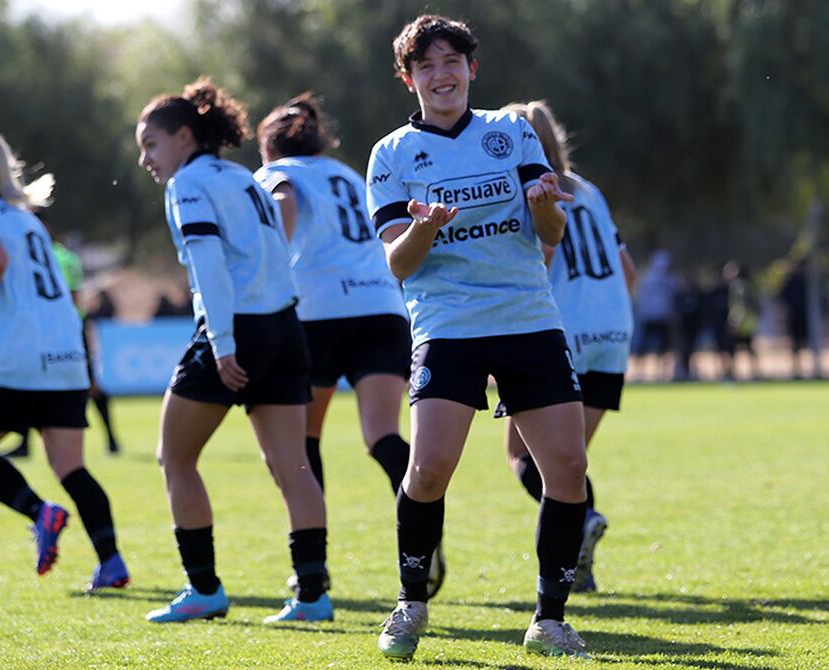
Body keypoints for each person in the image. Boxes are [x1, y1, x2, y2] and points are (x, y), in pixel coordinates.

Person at [367, 15, 590, 660]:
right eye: (427, 66)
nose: (442, 75)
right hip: (449, 328)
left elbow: (549, 234)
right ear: (409, 78)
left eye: (452, 62)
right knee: (429, 469)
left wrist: (546, 199)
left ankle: (550, 618)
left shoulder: (510, 131)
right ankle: (410, 604)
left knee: (568, 470)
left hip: (528, 320)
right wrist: (427, 227)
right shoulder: (391, 154)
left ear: (472, 69)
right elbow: (399, 263)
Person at [135, 78, 332, 624]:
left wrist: (221, 345)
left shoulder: (189, 183)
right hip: (286, 327)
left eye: (150, 145)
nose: (145, 159)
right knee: (293, 467)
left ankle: (203, 589)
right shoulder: (241, 176)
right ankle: (313, 596)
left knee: (174, 458)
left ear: (182, 137)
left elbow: (210, 269)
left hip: (238, 330)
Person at [254, 93, 445, 598]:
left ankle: (312, 564)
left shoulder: (277, 170)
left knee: (301, 443)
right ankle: (425, 536)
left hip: (316, 312)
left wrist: (271, 264)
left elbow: (282, 200)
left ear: (268, 147)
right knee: (382, 436)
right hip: (382, 306)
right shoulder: (344, 173)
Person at [0, 131, 128, 592]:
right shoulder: (28, 219)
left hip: (15, 356)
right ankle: (112, 562)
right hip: (65, 355)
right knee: (72, 467)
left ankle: (40, 513)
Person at [497, 100, 636, 596]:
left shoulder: (529, 190)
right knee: (568, 459)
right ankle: (581, 566)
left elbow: (542, 256)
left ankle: (584, 521)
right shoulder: (590, 192)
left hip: (564, 333)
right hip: (614, 333)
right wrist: (614, 317)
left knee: (526, 456)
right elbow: (628, 270)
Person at [4, 208, 122, 458]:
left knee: (89, 385)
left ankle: (111, 439)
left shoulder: (62, 258)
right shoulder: (22, 257)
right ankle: (24, 444)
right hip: (37, 332)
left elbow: (73, 298)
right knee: (28, 381)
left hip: (66, 331)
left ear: (44, 228)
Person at [633, 251, 678, 381]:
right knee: (644, 347)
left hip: (661, 318)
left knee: (663, 348)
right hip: (649, 317)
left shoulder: (668, 280)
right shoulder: (648, 279)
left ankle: (661, 372)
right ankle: (641, 372)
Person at [721, 260, 761, 379]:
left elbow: (741, 306)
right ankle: (754, 374)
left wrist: (735, 322)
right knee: (748, 348)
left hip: (742, 324)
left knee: (733, 349)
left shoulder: (738, 285)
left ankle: (733, 374)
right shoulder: (747, 284)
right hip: (748, 323)